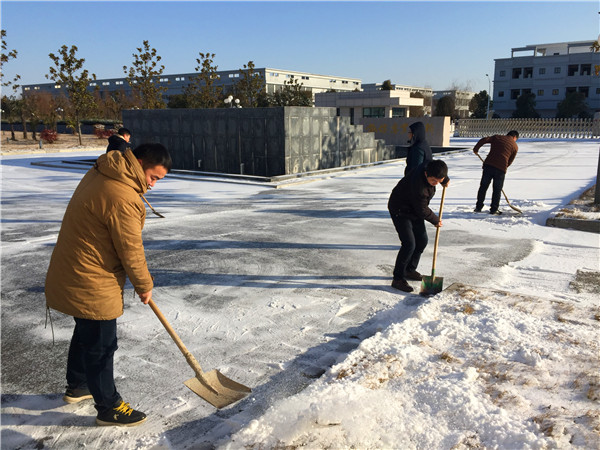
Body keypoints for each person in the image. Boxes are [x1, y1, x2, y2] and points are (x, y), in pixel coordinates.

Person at [45, 143, 172, 427]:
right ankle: (109, 407)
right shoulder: (122, 195)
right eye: (153, 177)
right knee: (101, 343)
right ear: (139, 162)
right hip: (93, 277)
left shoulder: (104, 171)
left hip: (76, 268)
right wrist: (144, 284)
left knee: (87, 331)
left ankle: (78, 386)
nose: (152, 185)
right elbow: (130, 248)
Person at [388, 159, 449, 293]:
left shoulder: (429, 167)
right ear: (426, 174)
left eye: (439, 181)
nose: (436, 184)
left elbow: (435, 167)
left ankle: (409, 270)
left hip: (413, 209)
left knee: (422, 240)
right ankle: (398, 278)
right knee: (409, 243)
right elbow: (422, 209)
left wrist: (444, 179)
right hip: (400, 209)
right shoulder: (420, 188)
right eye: (434, 181)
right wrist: (435, 220)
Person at [473, 130, 519, 215]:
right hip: (500, 169)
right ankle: (494, 210)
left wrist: (476, 149)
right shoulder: (515, 146)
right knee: (497, 190)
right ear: (515, 137)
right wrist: (504, 166)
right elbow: (510, 161)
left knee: (483, 187)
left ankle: (478, 207)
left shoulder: (497, 137)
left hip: (488, 165)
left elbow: (484, 139)